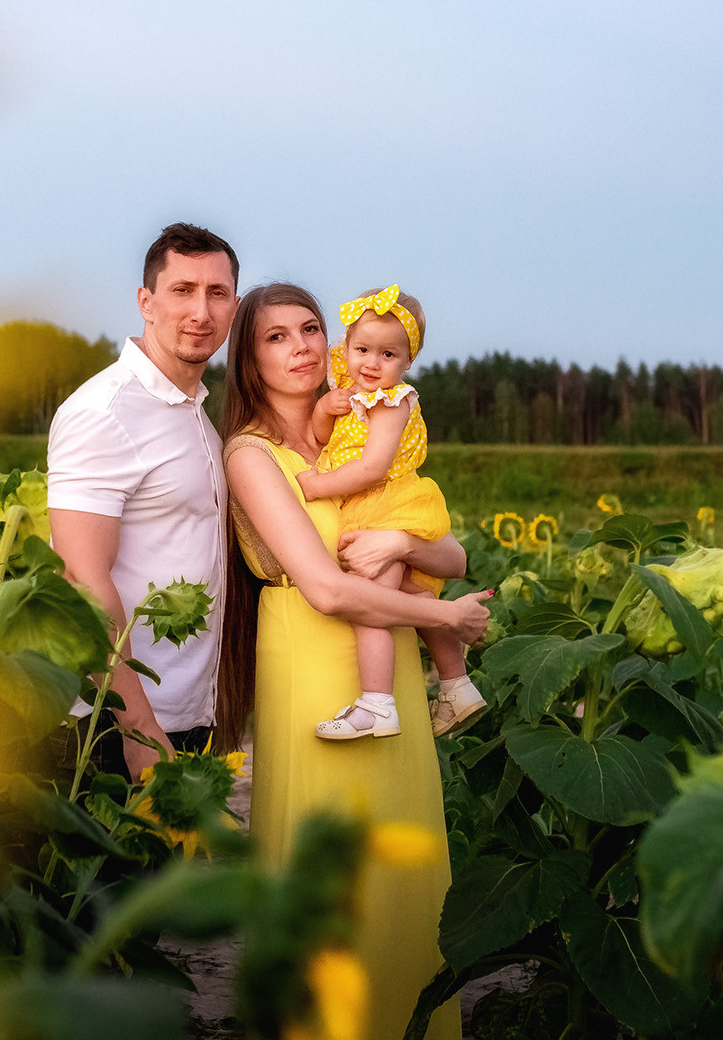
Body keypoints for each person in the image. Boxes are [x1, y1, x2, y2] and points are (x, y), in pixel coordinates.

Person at [214, 283, 491, 1040]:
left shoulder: (358, 432)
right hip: (310, 658)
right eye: (276, 337)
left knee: (398, 863)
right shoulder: (251, 455)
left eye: (309, 329)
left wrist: (403, 545)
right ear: (249, 359)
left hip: (386, 667)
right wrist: (445, 618)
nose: (301, 346)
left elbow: (454, 553)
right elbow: (330, 589)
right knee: (327, 857)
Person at [48, 223, 238, 780]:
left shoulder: (193, 411)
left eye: (217, 293)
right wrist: (138, 729)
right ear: (146, 302)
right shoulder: (106, 411)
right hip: (113, 725)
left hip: (186, 713)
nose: (201, 312)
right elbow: (81, 576)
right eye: (182, 290)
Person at [294, 286, 486, 742]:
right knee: (413, 599)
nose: (371, 363)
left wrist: (317, 485)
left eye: (388, 354)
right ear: (346, 348)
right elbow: (325, 436)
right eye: (361, 350)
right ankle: (457, 685)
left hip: (386, 504)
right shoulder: (353, 393)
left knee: (372, 608)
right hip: (378, 506)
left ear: (406, 362)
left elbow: (372, 466)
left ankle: (376, 703)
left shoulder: (392, 401)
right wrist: (325, 407)